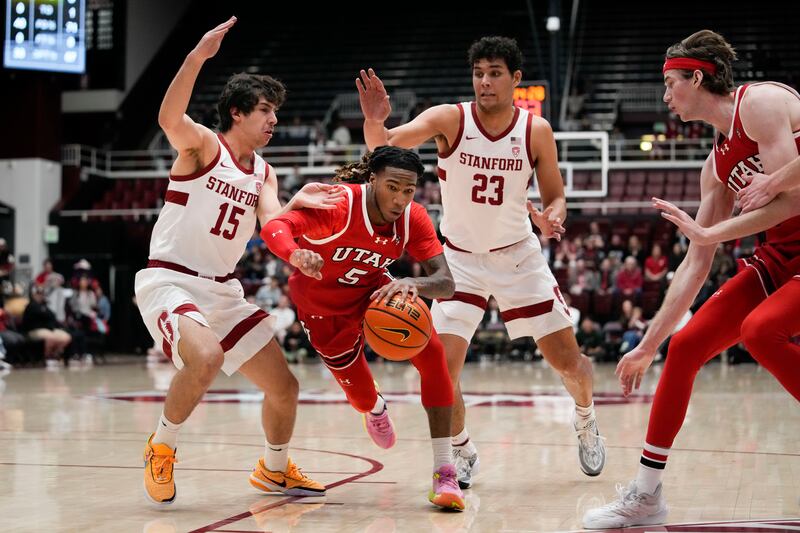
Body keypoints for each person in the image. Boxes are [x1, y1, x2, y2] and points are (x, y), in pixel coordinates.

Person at [357, 36, 606, 489]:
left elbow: (555, 193)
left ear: (515, 79)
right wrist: (376, 122)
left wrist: (553, 214)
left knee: (569, 363)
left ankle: (586, 419)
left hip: (518, 258)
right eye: (478, 73)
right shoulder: (451, 118)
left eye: (494, 73)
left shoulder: (537, 130)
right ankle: (462, 447)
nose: (485, 82)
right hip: (460, 262)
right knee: (441, 370)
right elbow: (385, 147)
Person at [584, 30, 800, 529]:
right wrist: (648, 345)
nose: (664, 97)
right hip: (779, 258)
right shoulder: (716, 165)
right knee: (685, 348)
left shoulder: (762, 103)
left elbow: (793, 198)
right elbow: (695, 263)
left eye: (670, 84)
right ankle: (645, 495)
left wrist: (715, 228)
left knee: (759, 331)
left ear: (697, 77)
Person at [134, 17, 344, 506]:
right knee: (204, 358)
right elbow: (168, 118)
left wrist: (296, 237)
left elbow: (271, 226)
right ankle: (161, 447)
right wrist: (196, 58)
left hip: (223, 289)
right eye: (265, 110)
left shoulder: (264, 171)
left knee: (285, 388)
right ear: (237, 112)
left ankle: (273, 471)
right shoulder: (204, 145)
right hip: (171, 280)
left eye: (275, 111)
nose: (274, 120)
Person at [261, 146, 465, 511]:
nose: (401, 198)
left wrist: (413, 284)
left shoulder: (412, 218)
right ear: (373, 180)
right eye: (393, 187)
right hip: (323, 313)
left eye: (409, 190)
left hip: (375, 295)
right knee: (360, 398)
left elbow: (446, 282)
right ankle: (375, 407)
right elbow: (275, 226)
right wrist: (294, 253)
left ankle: (444, 471)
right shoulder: (338, 206)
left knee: (434, 353)